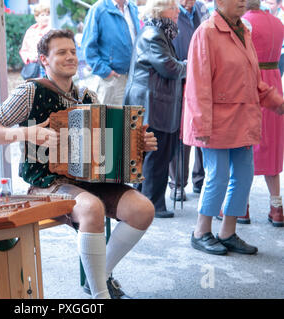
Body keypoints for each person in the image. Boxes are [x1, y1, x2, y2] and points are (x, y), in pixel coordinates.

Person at [0, 29, 157, 299]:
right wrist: (27, 132)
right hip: (46, 184)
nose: (70, 56)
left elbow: (107, 148)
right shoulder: (30, 92)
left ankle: (100, 275)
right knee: (91, 208)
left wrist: (138, 144)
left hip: (90, 181)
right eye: (61, 52)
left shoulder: (88, 96)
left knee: (143, 209)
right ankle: (100, 295)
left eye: (73, 51)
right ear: (44, 60)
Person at [183, 0, 284, 256]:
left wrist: (278, 103)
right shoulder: (205, 32)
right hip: (217, 122)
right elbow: (198, 85)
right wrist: (201, 125)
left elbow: (254, 81)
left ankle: (227, 232)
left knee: (244, 175)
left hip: (242, 119)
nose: (242, 1)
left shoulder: (244, 31)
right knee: (217, 177)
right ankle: (200, 232)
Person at [124, 0, 187, 218]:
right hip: (152, 105)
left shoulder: (158, 33)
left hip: (155, 103)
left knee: (156, 153)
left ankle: (147, 199)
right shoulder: (153, 34)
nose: (178, 11)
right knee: (156, 154)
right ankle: (152, 203)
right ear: (160, 10)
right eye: (173, 8)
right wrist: (192, 64)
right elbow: (170, 68)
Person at [243, 0, 284, 227]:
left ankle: (241, 207)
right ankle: (276, 207)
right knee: (273, 148)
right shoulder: (277, 22)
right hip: (275, 84)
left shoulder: (244, 23)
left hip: (253, 86)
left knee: (246, 146)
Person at [168, 0, 209, 202]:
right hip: (179, 80)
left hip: (202, 79)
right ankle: (177, 184)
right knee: (181, 134)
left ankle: (199, 180)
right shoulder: (172, 11)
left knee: (202, 129)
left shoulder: (202, 9)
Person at [81, 0, 141, 105]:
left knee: (129, 120)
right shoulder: (98, 9)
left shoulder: (132, 7)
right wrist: (105, 71)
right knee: (109, 120)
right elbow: (88, 48)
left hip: (133, 78)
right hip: (111, 81)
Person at [19, 2, 50, 79]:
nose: (46, 17)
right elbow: (23, 50)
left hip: (46, 67)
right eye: (43, 15)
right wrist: (29, 58)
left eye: (47, 15)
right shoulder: (30, 30)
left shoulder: (51, 31)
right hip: (32, 67)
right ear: (36, 17)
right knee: (33, 88)